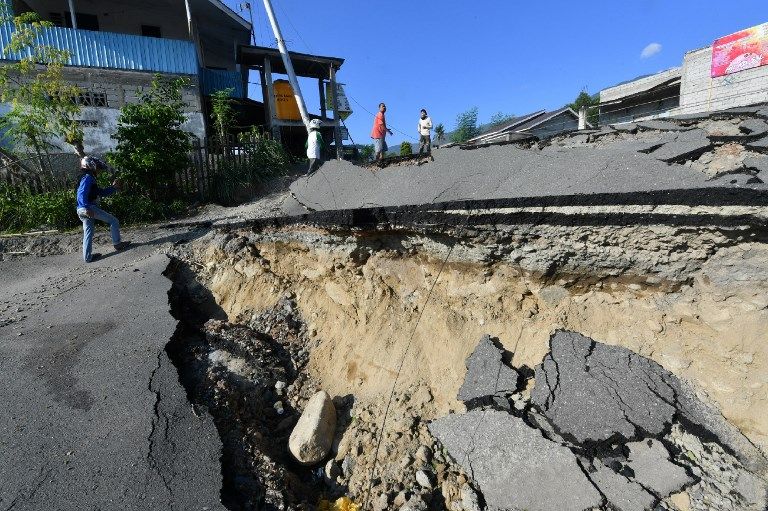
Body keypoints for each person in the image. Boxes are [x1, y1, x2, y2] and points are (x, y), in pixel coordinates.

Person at [76, 156, 129, 263]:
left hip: (81, 209)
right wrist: (86, 207)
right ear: (91, 166)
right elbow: (81, 194)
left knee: (88, 232)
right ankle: (117, 244)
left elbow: (100, 192)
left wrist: (113, 188)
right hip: (87, 207)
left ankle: (87, 257)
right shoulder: (88, 177)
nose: (99, 170)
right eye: (98, 168)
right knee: (114, 221)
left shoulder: (86, 177)